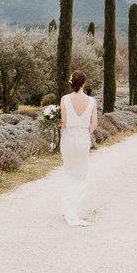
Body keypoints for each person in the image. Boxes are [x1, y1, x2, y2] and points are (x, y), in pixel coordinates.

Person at [59, 70, 97, 226]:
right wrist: (83, 131)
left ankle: (69, 210)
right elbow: (94, 124)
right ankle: (72, 211)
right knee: (81, 174)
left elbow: (64, 123)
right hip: (83, 139)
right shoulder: (92, 101)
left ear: (71, 83)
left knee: (68, 171)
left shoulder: (65, 99)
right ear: (84, 83)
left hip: (68, 138)